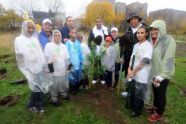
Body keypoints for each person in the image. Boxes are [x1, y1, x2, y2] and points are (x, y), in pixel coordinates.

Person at [14, 19, 52, 114]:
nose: (30, 29)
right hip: (29, 68)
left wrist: (44, 65)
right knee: (35, 87)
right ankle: (35, 104)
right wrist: (25, 68)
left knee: (39, 86)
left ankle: (37, 104)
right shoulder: (19, 40)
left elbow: (41, 53)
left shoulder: (35, 39)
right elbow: (19, 56)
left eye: (32, 28)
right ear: (24, 27)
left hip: (39, 67)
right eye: (29, 27)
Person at [147, 20, 176, 122]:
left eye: (156, 29)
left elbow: (169, 59)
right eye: (151, 29)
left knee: (160, 93)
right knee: (155, 92)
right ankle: (155, 107)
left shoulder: (168, 40)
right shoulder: (152, 40)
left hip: (163, 74)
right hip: (154, 72)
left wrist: (162, 75)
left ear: (161, 29)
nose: (153, 32)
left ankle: (159, 113)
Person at [126, 26, 153, 117]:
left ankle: (137, 110)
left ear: (146, 34)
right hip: (133, 72)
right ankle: (132, 105)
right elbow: (132, 58)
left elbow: (145, 61)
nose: (139, 34)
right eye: (138, 33)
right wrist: (129, 69)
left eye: (142, 33)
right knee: (133, 89)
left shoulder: (148, 46)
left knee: (139, 92)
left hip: (142, 73)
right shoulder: (136, 45)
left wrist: (133, 71)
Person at [44, 30, 70, 106]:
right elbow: (46, 57)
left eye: (58, 35)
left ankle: (63, 94)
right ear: (52, 36)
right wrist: (48, 67)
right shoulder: (49, 45)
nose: (57, 37)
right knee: (54, 84)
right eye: (55, 35)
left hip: (62, 68)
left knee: (62, 83)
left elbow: (67, 58)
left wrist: (67, 68)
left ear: (61, 37)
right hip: (53, 69)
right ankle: (54, 99)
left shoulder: (63, 46)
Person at [120, 12, 143, 77]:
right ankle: (127, 86)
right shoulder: (127, 31)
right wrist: (121, 56)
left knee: (137, 76)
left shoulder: (143, 30)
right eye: (131, 19)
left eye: (135, 18)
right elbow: (122, 45)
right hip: (128, 59)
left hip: (139, 59)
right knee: (127, 76)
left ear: (138, 20)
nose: (133, 20)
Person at [65, 28, 83, 94]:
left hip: (78, 64)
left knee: (78, 76)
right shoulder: (67, 44)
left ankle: (77, 88)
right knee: (71, 77)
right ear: (69, 34)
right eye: (72, 33)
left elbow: (80, 53)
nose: (74, 34)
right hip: (71, 65)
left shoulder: (77, 43)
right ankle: (72, 90)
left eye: (75, 33)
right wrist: (68, 65)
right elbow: (66, 56)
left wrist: (81, 61)